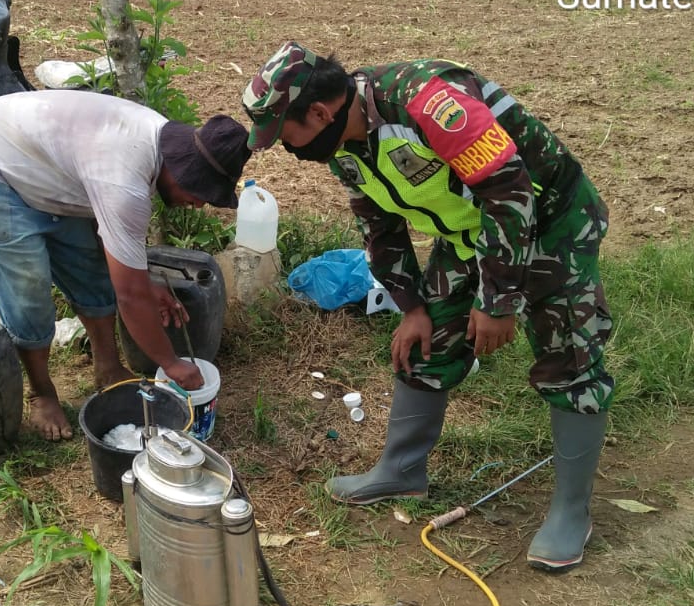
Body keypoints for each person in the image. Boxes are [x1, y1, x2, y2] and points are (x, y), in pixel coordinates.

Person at [242, 42, 614, 572]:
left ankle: (571, 511)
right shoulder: (341, 145)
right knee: (425, 339)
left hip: (550, 220)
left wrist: (497, 301)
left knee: (567, 360)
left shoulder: (426, 103)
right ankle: (401, 470)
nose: (285, 147)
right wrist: (411, 304)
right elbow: (379, 224)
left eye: (285, 135)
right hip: (470, 230)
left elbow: (511, 194)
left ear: (320, 113)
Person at [0, 88, 251, 441]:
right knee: (28, 290)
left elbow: (119, 255)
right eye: (198, 193)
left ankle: (108, 368)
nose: (197, 205)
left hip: (41, 165)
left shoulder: (154, 147)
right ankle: (42, 392)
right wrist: (171, 363)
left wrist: (145, 279)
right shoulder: (125, 180)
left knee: (90, 268)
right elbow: (129, 296)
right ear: (180, 168)